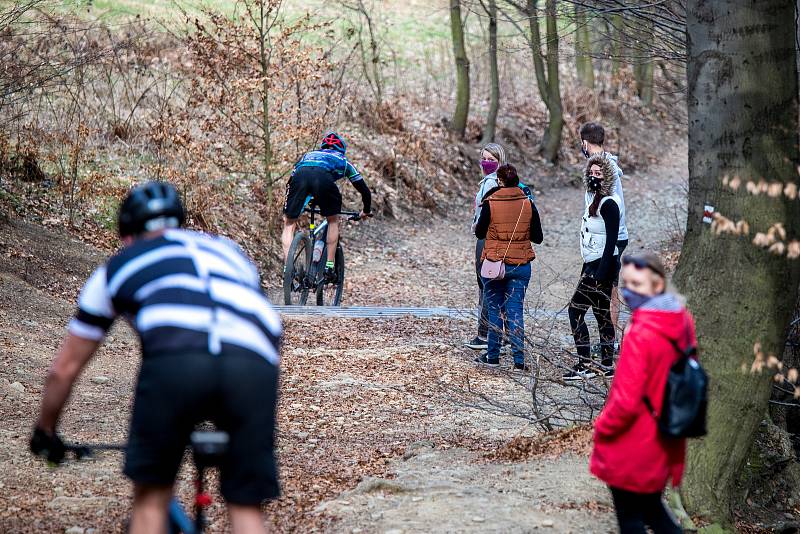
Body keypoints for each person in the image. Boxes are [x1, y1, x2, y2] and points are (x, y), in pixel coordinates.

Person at [29, 182, 281, 534]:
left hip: (176, 363)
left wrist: (45, 431)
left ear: (127, 234)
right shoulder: (228, 251)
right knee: (246, 505)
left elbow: (64, 369)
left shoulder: (119, 265)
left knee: (150, 499)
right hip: (254, 361)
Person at [590, 251, 694, 534]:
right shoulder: (680, 321)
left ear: (657, 285)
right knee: (654, 511)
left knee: (632, 520)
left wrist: (602, 427)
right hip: (664, 434)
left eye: (637, 284)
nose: (628, 291)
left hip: (634, 437)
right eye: (626, 284)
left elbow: (626, 398)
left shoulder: (641, 331)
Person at [474, 164, 543, 370]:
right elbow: (538, 237)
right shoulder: (527, 203)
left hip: (495, 264)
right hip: (520, 265)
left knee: (494, 309)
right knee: (515, 312)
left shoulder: (490, 202)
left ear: (500, 181)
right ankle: (519, 361)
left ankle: (493, 357)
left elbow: (479, 233)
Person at [465, 143, 534, 350]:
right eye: (484, 158)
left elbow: (487, 216)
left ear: (500, 161)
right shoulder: (497, 183)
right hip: (502, 239)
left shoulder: (491, 185)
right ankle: (501, 334)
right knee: (498, 285)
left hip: (489, 238)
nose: (486, 162)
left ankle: (485, 333)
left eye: (491, 159)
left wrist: (479, 227)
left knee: (487, 284)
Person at [282, 132, 372, 282]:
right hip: (323, 180)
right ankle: (329, 266)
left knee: (289, 223)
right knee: (332, 220)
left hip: (300, 176)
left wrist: (303, 202)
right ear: (342, 149)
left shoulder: (307, 156)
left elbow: (292, 180)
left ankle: (288, 267)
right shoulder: (343, 161)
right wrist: (366, 210)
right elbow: (364, 190)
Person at [564, 153, 620, 380]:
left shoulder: (609, 204)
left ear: (606, 176)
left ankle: (585, 364)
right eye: (591, 173)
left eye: (599, 173)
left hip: (601, 266)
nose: (594, 177)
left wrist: (601, 272)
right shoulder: (592, 200)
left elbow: (612, 241)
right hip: (591, 263)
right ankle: (607, 364)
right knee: (600, 314)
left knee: (575, 310)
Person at [579, 122, 628, 337]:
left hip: (611, 236)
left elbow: (611, 207)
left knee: (607, 291)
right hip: (601, 236)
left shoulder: (603, 170)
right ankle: (609, 342)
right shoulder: (601, 164)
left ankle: (610, 342)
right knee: (606, 291)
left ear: (584, 142)